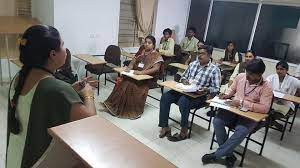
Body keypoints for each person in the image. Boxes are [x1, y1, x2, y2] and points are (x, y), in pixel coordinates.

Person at [6, 25, 97, 168]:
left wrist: (70, 90)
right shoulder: (57, 90)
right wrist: (88, 94)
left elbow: (38, 100)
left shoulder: (18, 78)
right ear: (53, 54)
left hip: (15, 157)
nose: (66, 51)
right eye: (62, 45)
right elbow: (89, 122)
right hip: (37, 161)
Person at [202, 59, 273, 168]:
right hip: (233, 109)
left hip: (249, 115)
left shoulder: (266, 87)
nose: (247, 76)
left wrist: (242, 103)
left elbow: (265, 108)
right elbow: (232, 89)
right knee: (217, 121)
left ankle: (217, 155)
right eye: (247, 72)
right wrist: (226, 94)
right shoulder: (241, 76)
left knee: (241, 130)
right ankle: (229, 155)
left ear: (259, 75)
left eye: (251, 74)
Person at [159, 45, 221, 141]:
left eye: (202, 54)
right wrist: (184, 81)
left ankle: (184, 130)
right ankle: (164, 126)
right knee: (165, 97)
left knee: (183, 102)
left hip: (200, 95)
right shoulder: (193, 64)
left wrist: (206, 89)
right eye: (198, 53)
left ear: (209, 55)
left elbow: (216, 88)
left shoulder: (214, 69)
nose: (199, 56)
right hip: (185, 90)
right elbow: (183, 77)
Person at [103, 35, 163, 119]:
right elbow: (132, 62)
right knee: (121, 82)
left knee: (130, 85)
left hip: (146, 78)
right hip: (135, 74)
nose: (146, 44)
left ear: (153, 45)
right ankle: (115, 106)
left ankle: (131, 111)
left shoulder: (156, 55)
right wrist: (129, 68)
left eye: (149, 43)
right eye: (145, 42)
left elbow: (156, 69)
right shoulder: (141, 52)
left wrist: (141, 73)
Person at [266, 61, 300, 130]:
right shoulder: (271, 77)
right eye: (277, 69)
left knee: (268, 115)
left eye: (282, 69)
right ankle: (275, 123)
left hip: (286, 105)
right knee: (265, 113)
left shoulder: (292, 80)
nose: (279, 71)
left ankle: (271, 122)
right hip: (272, 103)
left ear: (286, 70)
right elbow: (265, 87)